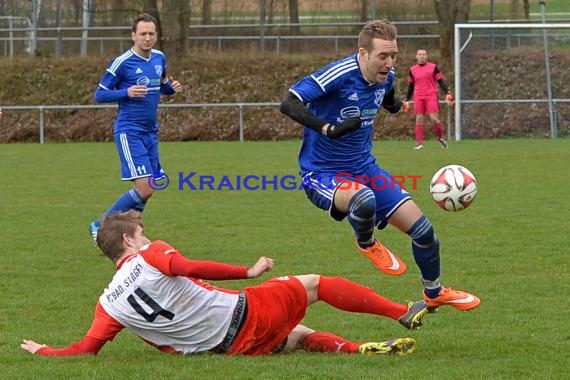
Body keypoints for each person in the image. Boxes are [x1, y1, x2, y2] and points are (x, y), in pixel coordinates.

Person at [21, 210, 428, 357]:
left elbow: (85, 349)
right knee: (316, 283)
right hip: (246, 314)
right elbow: (186, 265)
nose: (146, 237)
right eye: (141, 233)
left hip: (226, 349)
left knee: (299, 335)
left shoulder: (107, 302)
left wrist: (45, 351)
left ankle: (360, 350)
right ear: (129, 241)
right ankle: (402, 312)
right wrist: (246, 272)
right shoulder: (148, 255)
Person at [280, 19, 479, 311]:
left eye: (394, 55)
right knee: (363, 199)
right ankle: (367, 241)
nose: (389, 62)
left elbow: (386, 95)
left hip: (366, 168)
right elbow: (289, 102)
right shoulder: (340, 74)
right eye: (382, 56)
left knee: (425, 233)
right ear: (363, 54)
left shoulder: (387, 76)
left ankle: (434, 293)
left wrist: (397, 106)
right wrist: (328, 129)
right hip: (322, 173)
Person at [88, 13, 183, 244]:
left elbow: (161, 86)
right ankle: (100, 224)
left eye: (151, 33)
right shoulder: (122, 63)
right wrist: (126, 92)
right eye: (143, 34)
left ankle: (133, 234)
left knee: (149, 187)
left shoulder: (159, 58)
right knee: (146, 187)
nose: (147, 38)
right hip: (129, 131)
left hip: (151, 132)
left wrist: (172, 88)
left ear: (156, 36)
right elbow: (99, 95)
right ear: (134, 36)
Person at [403, 49, 454, 150]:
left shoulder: (433, 67)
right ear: (416, 56)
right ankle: (419, 143)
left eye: (424, 54)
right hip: (418, 96)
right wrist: (407, 99)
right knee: (419, 119)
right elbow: (411, 85)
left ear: (426, 56)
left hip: (431, 95)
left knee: (434, 118)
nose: (422, 56)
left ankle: (440, 138)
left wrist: (447, 92)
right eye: (420, 54)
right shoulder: (413, 70)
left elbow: (440, 81)